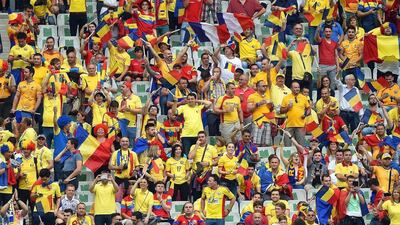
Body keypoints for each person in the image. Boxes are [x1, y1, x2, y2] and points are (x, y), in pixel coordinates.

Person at [188, 131, 218, 201]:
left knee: (207, 194)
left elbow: (217, 161)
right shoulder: (193, 146)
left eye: (202, 137)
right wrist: (196, 146)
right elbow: (190, 157)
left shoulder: (212, 148)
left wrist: (209, 163)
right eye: (199, 137)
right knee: (196, 195)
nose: (201, 138)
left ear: (206, 138)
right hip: (196, 174)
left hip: (207, 173)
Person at [280, 81, 310, 147]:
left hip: (301, 125)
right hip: (289, 125)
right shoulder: (286, 98)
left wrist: (305, 114)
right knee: (287, 146)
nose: (297, 89)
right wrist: (287, 108)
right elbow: (281, 111)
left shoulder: (304, 98)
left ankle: (300, 157)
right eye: (295, 87)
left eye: (298, 87)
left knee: (300, 146)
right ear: (291, 88)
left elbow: (308, 109)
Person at [247, 80, 274, 146]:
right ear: (258, 87)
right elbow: (249, 109)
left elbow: (271, 110)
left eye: (266, 86)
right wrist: (258, 104)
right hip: (258, 121)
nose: (265, 87)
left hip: (267, 121)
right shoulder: (252, 96)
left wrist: (271, 107)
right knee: (256, 143)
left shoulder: (268, 96)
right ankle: (255, 156)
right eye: (263, 86)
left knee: (265, 143)